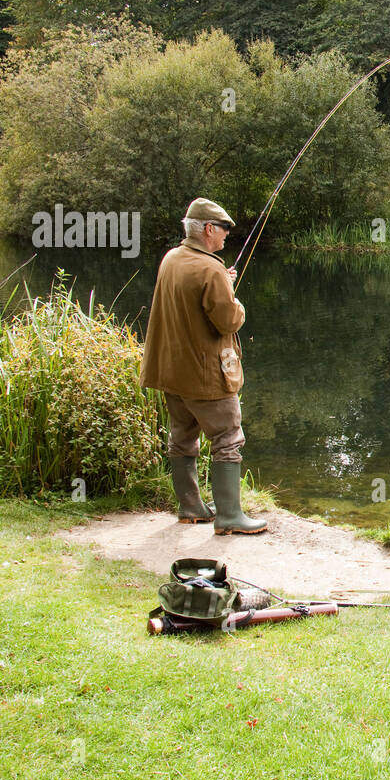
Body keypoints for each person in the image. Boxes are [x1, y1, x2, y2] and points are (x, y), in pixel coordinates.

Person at [139, 197, 267, 535]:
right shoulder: (209, 268)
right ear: (208, 229)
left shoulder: (173, 259)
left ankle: (190, 507)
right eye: (224, 229)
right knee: (227, 438)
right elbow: (228, 321)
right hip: (205, 374)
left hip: (172, 371)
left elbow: (191, 295)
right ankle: (229, 517)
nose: (226, 235)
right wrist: (234, 298)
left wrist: (222, 281)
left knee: (182, 437)